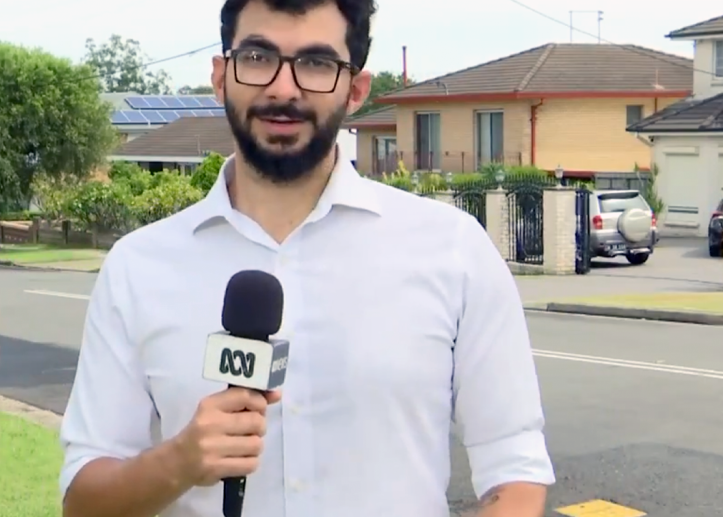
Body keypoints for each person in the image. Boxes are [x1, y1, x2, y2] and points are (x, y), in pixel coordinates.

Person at [60, 0, 555, 516]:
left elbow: (514, 470)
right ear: (220, 75)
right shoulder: (138, 267)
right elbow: (83, 502)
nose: (282, 88)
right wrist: (179, 460)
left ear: (356, 90)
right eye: (257, 57)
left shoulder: (452, 249)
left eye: (316, 64)